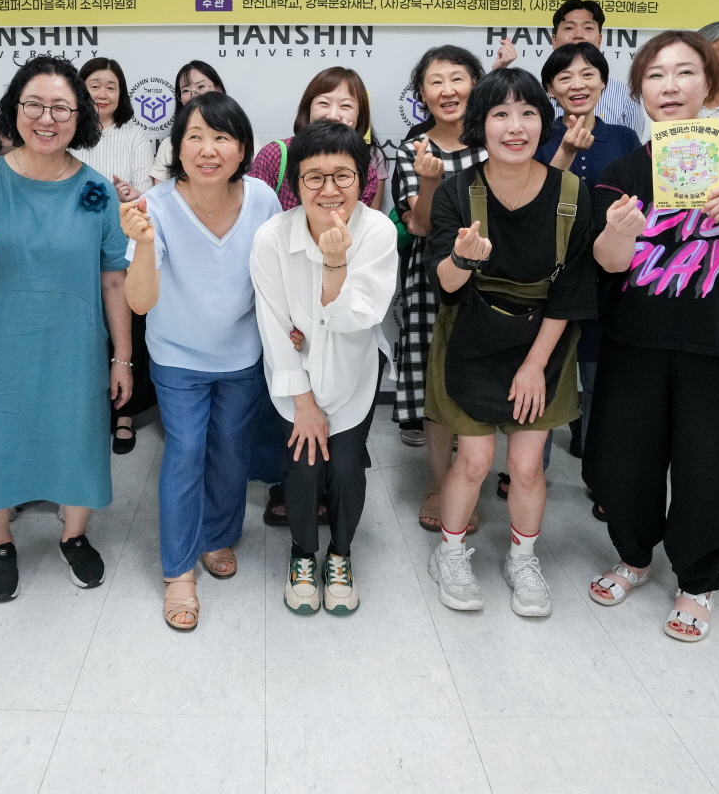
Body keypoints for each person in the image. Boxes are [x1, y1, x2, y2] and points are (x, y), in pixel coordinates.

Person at [585, 29, 719, 642]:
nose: (671, 86)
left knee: (714, 469)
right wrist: (620, 231)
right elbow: (607, 264)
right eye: (656, 75)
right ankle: (633, 557)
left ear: (709, 84)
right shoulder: (624, 171)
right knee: (626, 462)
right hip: (638, 344)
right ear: (640, 92)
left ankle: (698, 580)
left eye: (685, 73)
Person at [0, 56, 132, 603]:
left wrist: (123, 357)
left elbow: (113, 280)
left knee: (77, 440)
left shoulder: (96, 189)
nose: (46, 118)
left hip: (74, 345)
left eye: (61, 108)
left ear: (81, 117)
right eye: (34, 105)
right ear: (15, 109)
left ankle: (73, 535)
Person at [422, 67, 597, 618]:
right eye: (500, 114)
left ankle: (523, 560)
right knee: (473, 459)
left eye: (528, 113)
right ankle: (450, 553)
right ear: (481, 124)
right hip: (471, 334)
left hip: (542, 339)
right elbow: (443, 283)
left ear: (545, 122)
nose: (515, 126)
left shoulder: (572, 193)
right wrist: (460, 258)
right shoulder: (457, 191)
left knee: (525, 464)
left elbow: (572, 291)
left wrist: (535, 366)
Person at [120, 93, 283, 630]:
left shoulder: (262, 199)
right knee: (186, 451)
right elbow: (140, 302)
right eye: (194, 136)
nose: (207, 149)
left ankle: (217, 536)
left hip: (242, 355)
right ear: (177, 147)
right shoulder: (156, 206)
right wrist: (144, 244)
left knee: (232, 450)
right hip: (177, 357)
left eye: (221, 137)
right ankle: (178, 570)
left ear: (242, 148)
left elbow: (277, 275)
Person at [252, 120, 397, 615]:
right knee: (303, 467)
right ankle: (301, 554)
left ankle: (340, 554)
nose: (330, 189)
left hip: (354, 374)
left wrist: (335, 265)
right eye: (314, 177)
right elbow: (275, 329)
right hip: (294, 378)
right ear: (295, 184)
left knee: (347, 468)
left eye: (343, 176)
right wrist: (304, 403)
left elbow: (359, 319)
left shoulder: (376, 232)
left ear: (362, 180)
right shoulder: (272, 238)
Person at [531, 42, 641, 467]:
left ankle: (597, 465)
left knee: (598, 377)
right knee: (543, 370)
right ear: (550, 89)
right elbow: (532, 200)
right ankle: (530, 466)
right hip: (548, 274)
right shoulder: (537, 136)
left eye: (588, 74)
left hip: (607, 277)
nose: (577, 85)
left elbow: (639, 202)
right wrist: (566, 151)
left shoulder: (624, 137)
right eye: (565, 77)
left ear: (603, 83)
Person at [392, 45, 487, 534]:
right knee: (435, 381)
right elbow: (423, 226)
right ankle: (438, 482)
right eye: (436, 81)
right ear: (422, 94)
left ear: (476, 84)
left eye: (457, 78)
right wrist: (429, 183)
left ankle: (471, 480)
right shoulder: (413, 149)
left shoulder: (496, 139)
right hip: (433, 278)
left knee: (482, 378)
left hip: (493, 279)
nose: (448, 90)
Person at [72, 57, 157, 453]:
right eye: (94, 85)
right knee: (86, 328)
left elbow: (146, 193)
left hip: (122, 244)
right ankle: (89, 408)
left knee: (128, 328)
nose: (102, 93)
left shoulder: (135, 134)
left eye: (111, 86)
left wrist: (130, 194)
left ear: (121, 94)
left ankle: (126, 413)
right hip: (76, 244)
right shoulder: (69, 131)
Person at [497, 0, 647, 137]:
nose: (578, 35)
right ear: (554, 40)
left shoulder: (625, 96)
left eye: (588, 28)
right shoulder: (533, 94)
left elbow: (632, 150)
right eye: (569, 28)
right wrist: (499, 71)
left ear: (600, 39)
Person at [247, 66, 388, 211]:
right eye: (324, 103)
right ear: (308, 109)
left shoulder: (366, 169)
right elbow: (255, 213)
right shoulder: (275, 155)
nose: (333, 115)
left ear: (360, 116)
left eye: (345, 106)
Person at [149, 60, 224, 185]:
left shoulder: (240, 138)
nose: (193, 94)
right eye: (185, 90)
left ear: (218, 90)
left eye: (201, 87)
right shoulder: (170, 145)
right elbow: (159, 194)